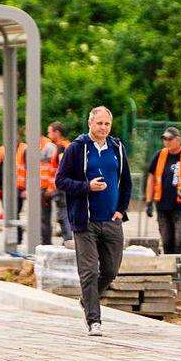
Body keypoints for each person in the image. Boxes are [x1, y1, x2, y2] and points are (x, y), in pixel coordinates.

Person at [56, 106, 132, 336]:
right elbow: (61, 180)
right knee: (88, 271)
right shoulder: (77, 149)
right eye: (99, 123)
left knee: (110, 270)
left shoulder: (117, 148)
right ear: (90, 123)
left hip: (111, 220)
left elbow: (126, 183)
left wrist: (121, 210)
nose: (103, 128)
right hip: (85, 221)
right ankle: (94, 320)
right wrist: (86, 187)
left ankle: (86, 298)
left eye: (107, 124)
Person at [144, 126, 181, 255]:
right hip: (162, 205)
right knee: (166, 241)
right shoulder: (160, 155)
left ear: (178, 140)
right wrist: (149, 202)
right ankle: (170, 269)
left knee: (180, 240)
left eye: (169, 139)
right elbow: (151, 178)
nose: (166, 141)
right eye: (164, 139)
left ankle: (180, 271)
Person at [45, 122, 70, 242]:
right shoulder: (66, 146)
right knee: (63, 214)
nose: (48, 134)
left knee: (63, 215)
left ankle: (69, 240)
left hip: (62, 188)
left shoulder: (62, 147)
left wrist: (55, 187)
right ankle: (68, 240)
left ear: (57, 133)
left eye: (50, 132)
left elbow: (62, 166)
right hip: (64, 186)